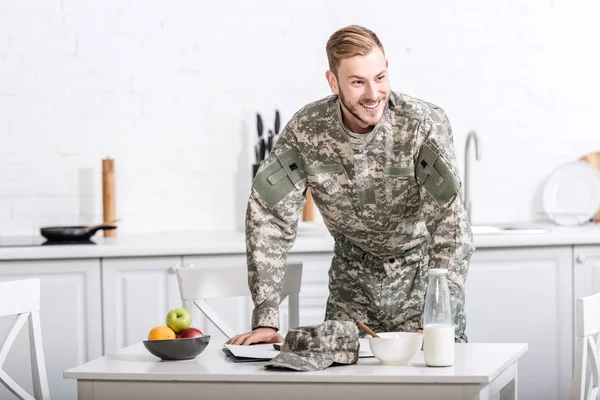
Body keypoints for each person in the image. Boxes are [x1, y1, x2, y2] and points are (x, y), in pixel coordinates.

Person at [226, 25, 474, 346]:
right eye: (358, 82)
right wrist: (265, 317)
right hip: (351, 294)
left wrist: (439, 315)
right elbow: (268, 218)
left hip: (423, 288)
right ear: (333, 82)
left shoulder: (422, 124)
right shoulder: (307, 130)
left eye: (380, 78)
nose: (373, 94)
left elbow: (451, 226)